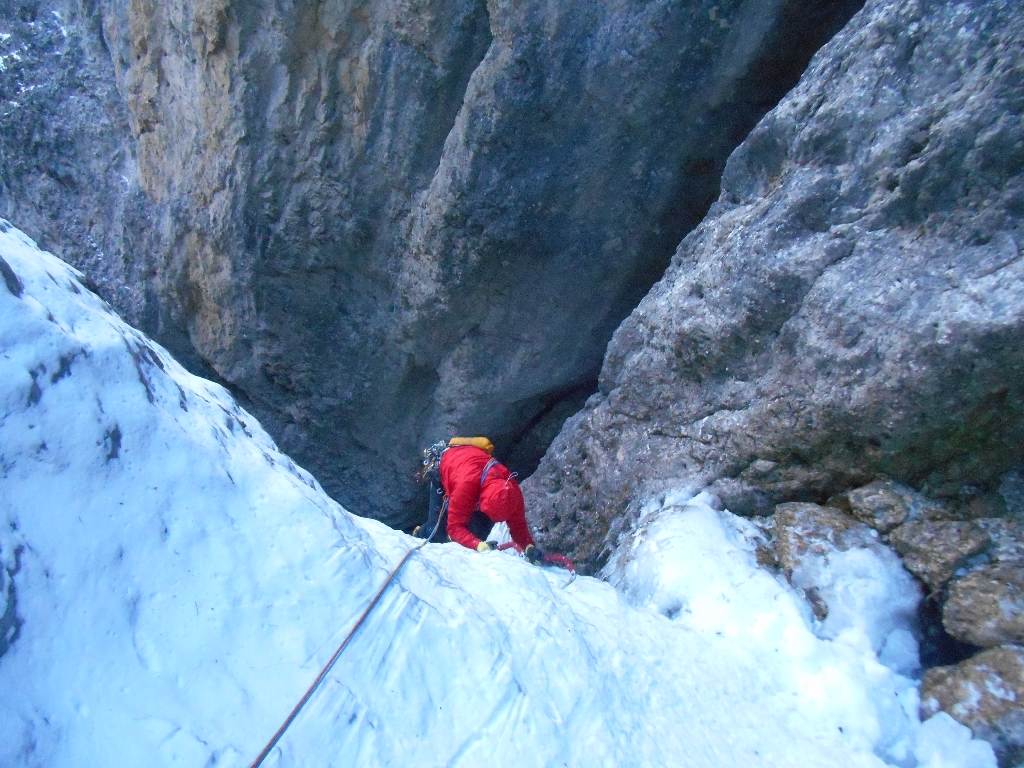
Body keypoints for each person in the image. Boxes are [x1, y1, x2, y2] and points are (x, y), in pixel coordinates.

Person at [414, 437, 543, 564]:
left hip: (468, 470)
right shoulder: (466, 486)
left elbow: (518, 526)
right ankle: (416, 536)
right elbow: (454, 527)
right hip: (448, 472)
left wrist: (528, 547)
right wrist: (478, 545)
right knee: (436, 531)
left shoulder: (512, 491)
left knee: (477, 533)